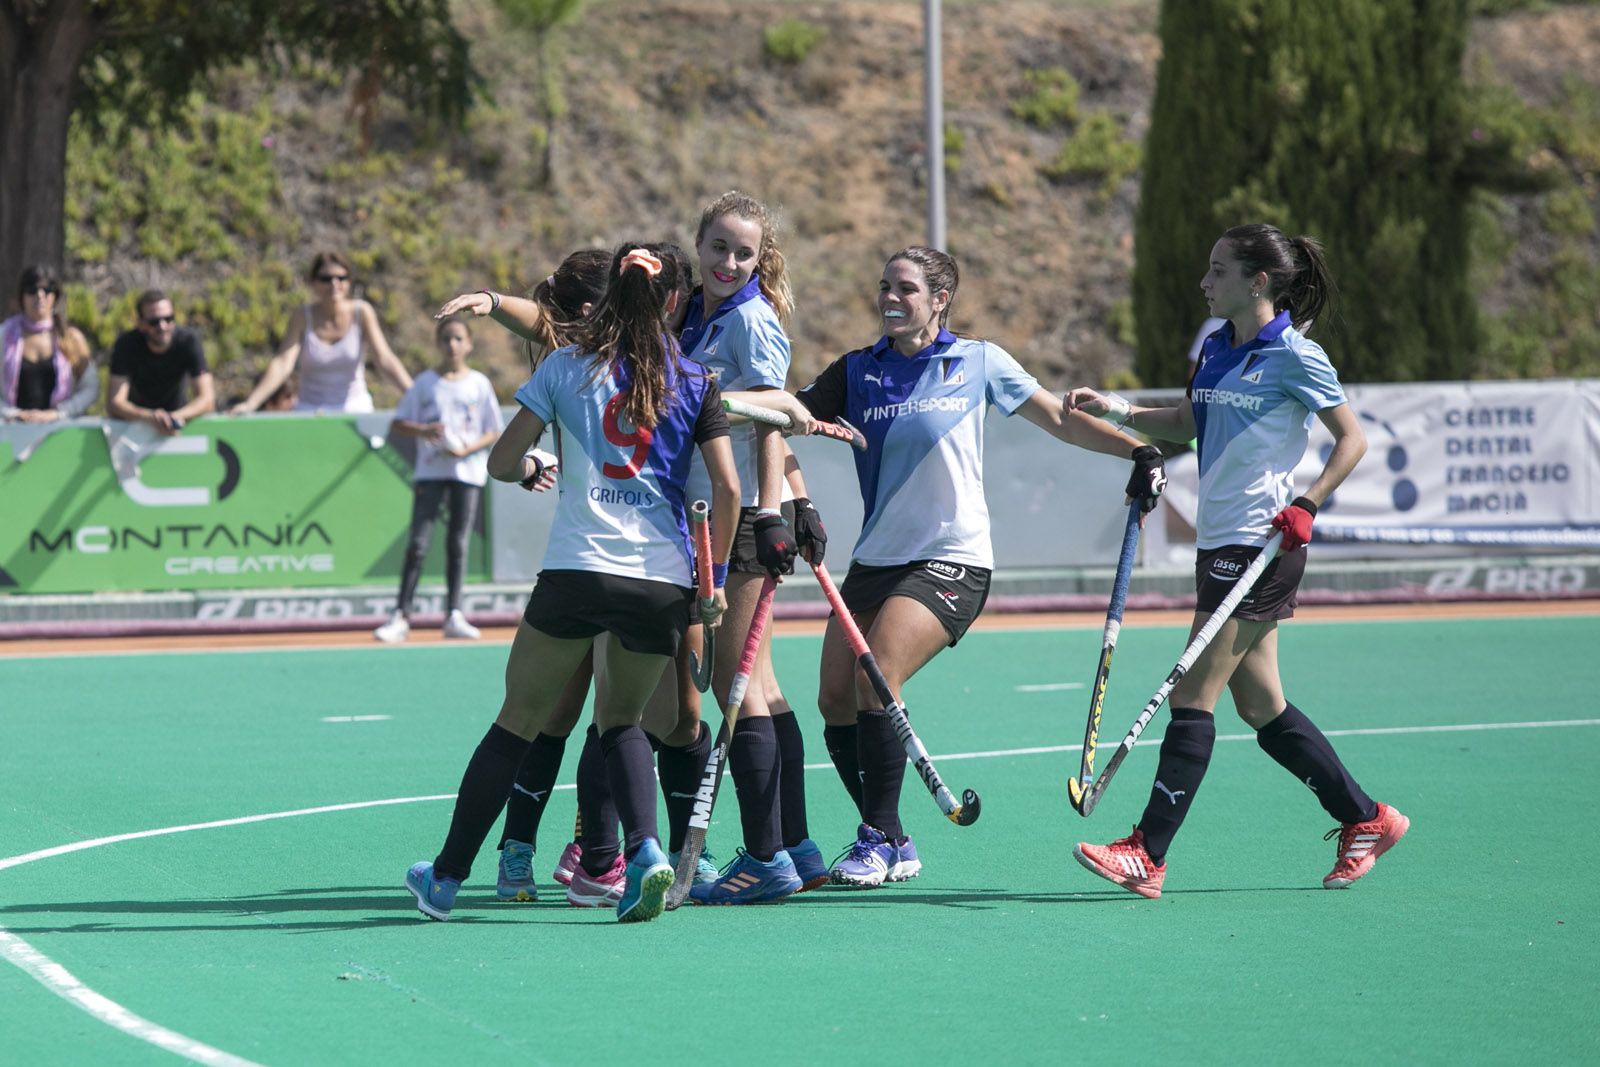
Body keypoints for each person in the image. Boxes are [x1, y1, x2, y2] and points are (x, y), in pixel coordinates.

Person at [755, 245, 1165, 889]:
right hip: (875, 559)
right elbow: (780, 421)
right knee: (835, 696)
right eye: (884, 284)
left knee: (878, 677)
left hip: (953, 559)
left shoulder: (977, 362)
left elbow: (1060, 418)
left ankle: (874, 838)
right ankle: (892, 838)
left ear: (939, 299)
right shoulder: (857, 371)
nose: (890, 297)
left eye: (907, 289)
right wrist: (795, 501)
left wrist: (1138, 450)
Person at [1065, 223, 1408, 899]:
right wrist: (1123, 409)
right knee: (1262, 707)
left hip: (1262, 545)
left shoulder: (1295, 356)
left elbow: (1353, 439)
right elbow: (1191, 423)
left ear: (1258, 281)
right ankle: (1367, 818)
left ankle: (1147, 851)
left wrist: (1308, 503)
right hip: (1218, 543)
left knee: (1193, 697)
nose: (1203, 281)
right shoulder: (1217, 348)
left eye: (1218, 270)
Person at [405, 242, 739, 924]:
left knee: (515, 724)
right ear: (674, 301)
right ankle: (646, 853)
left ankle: (444, 878)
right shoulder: (697, 380)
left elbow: (501, 461)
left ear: (608, 297)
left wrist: (531, 466)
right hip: (659, 581)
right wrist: (715, 579)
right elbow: (728, 489)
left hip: (575, 570)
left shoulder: (564, 365)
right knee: (622, 725)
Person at [677, 191, 832, 906]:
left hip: (733, 515)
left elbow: (775, 416)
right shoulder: (694, 310)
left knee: (732, 690)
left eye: (743, 252)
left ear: (759, 258)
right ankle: (794, 845)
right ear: (699, 243)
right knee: (761, 685)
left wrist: (773, 512)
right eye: (719, 247)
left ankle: (766, 856)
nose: (729, 262)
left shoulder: (751, 319)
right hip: (705, 509)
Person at [373, 316, 504, 643]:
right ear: (438, 344)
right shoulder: (425, 383)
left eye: (459, 339)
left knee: (458, 544)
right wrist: (424, 430)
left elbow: (493, 429)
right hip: (431, 472)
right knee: (418, 544)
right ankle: (401, 615)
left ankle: (454, 613)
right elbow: (399, 423)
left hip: (467, 473)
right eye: (446, 339)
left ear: (469, 344)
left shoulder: (478, 383)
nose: (452, 345)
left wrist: (467, 449)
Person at [232, 252, 412, 413]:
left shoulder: (362, 312)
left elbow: (385, 359)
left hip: (354, 409)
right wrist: (251, 403)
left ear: (348, 282)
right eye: (326, 278)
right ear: (313, 282)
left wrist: (415, 394)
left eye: (341, 278)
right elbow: (283, 363)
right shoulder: (302, 316)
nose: (334, 284)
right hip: (311, 410)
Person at [105, 289, 215, 434]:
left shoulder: (188, 341)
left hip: (178, 423)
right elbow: (115, 403)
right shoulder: (126, 345)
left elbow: (207, 400)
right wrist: (151, 418)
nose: (162, 326)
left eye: (168, 319)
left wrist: (175, 417)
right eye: (154, 322)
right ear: (141, 324)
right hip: (136, 427)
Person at [2, 266, 97, 423]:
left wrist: (58, 413)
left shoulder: (71, 337)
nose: (40, 296)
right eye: (32, 290)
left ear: (55, 296)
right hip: (11, 433)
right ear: (21, 297)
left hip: (59, 434)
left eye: (47, 290)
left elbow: (90, 389)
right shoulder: (4, 336)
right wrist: (12, 414)